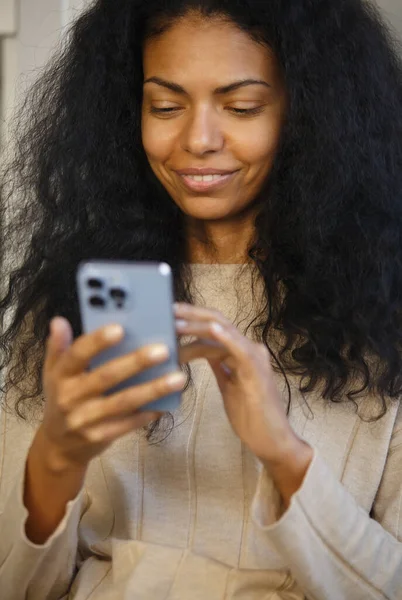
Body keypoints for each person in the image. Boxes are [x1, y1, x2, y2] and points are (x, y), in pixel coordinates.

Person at [0, 0, 402, 598]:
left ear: (310, 113)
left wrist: (282, 451)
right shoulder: (75, 303)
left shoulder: (383, 315)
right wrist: (56, 462)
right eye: (165, 105)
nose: (197, 140)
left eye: (241, 107)